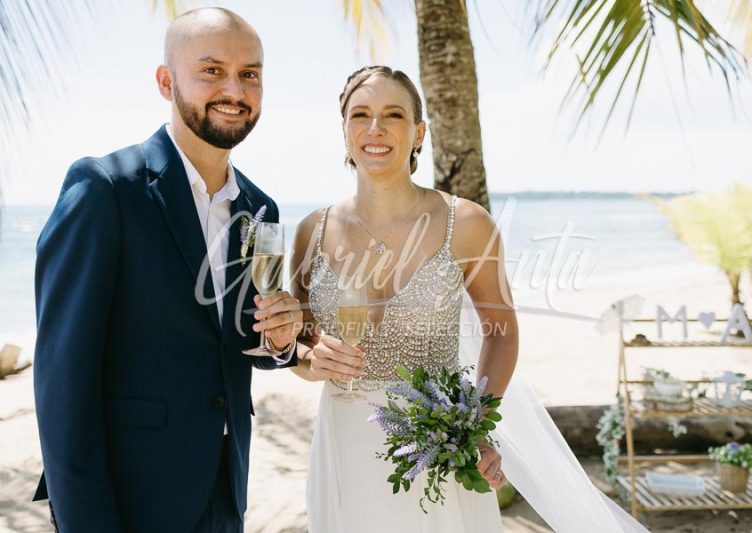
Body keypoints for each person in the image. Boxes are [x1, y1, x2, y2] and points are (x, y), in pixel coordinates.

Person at [289, 66, 650, 532]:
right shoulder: (310, 233)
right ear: (344, 131)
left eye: (393, 115)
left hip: (435, 446)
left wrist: (472, 425)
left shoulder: (468, 224)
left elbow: (502, 335)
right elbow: (294, 351)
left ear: (419, 132)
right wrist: (310, 360)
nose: (375, 128)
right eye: (361, 114)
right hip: (341, 447)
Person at [32, 8, 302, 533]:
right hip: (129, 501)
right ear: (166, 81)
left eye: (250, 73)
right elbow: (62, 387)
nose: (235, 89)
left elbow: (240, 339)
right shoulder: (104, 190)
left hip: (226, 494)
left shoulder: (260, 208)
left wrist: (281, 340)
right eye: (212, 70)